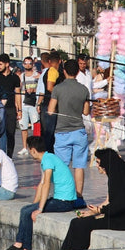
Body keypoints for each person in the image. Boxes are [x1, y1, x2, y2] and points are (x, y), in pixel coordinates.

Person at [0, 134, 83, 250]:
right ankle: (20, 245)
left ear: (33, 150)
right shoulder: (48, 158)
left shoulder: (48, 160)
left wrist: (39, 208)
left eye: (29, 150)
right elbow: (41, 184)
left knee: (26, 212)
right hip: (61, 200)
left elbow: (46, 184)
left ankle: (24, 247)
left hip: (65, 202)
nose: (30, 153)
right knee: (26, 209)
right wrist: (34, 204)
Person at [47, 57, 91, 194]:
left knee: (62, 166)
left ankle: (63, 194)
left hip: (62, 132)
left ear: (64, 71)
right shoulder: (84, 89)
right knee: (79, 166)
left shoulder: (58, 89)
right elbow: (86, 111)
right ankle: (79, 195)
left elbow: (50, 110)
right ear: (78, 72)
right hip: (79, 131)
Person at [0, 54, 20, 158]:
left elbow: (18, 94)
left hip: (10, 108)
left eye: (0, 64)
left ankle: (9, 157)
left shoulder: (15, 77)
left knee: (10, 133)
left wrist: (19, 110)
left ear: (7, 64)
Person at [20, 56, 41, 135]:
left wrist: (33, 90)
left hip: (34, 104)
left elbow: (41, 90)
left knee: (36, 126)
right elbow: (18, 90)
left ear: (33, 64)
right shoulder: (21, 76)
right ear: (23, 64)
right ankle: (25, 143)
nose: (28, 65)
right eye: (26, 63)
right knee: (23, 128)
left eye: (30, 63)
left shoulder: (37, 75)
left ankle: (36, 142)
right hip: (23, 104)